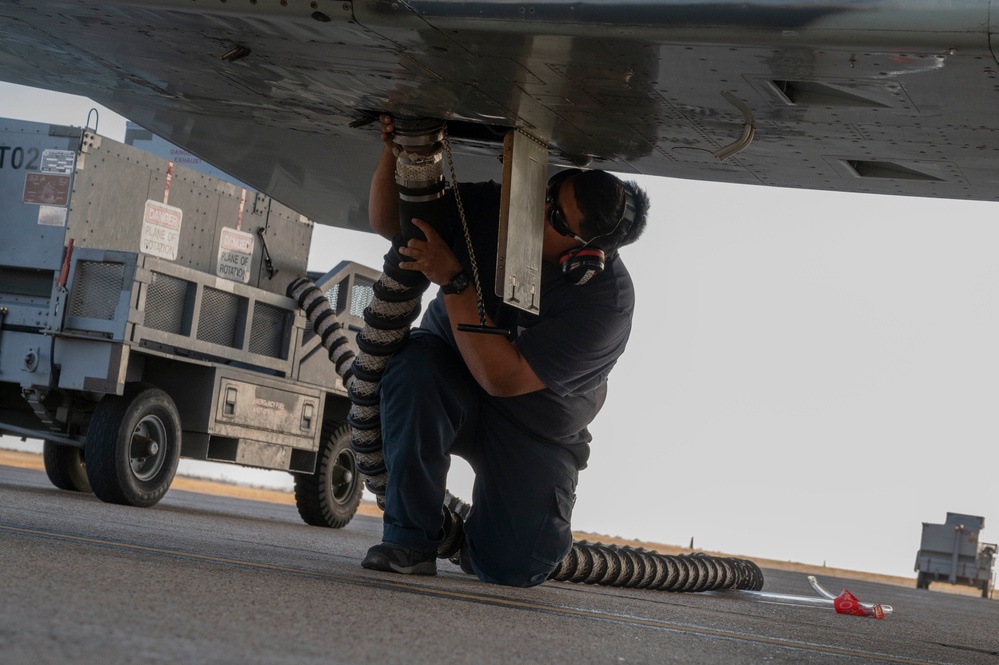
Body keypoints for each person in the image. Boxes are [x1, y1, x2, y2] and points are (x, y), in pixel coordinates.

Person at [361, 115, 650, 587]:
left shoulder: (606, 305)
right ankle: (409, 542)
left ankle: (495, 538)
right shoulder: (496, 210)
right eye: (551, 193)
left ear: (585, 255)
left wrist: (454, 281)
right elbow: (389, 222)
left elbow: (502, 377)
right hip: (450, 382)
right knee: (413, 372)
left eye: (556, 217)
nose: (539, 211)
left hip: (532, 430)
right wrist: (394, 154)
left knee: (512, 565)